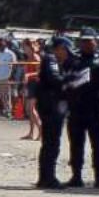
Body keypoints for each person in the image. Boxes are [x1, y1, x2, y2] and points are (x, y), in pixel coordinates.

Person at [64, 28, 99, 188]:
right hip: (77, 108)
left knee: (98, 145)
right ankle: (76, 176)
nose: (86, 44)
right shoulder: (73, 59)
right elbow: (66, 80)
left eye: (89, 41)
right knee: (76, 145)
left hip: (97, 109)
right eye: (83, 41)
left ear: (96, 41)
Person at [35, 37, 71, 188]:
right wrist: (69, 79)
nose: (67, 54)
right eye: (66, 50)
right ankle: (47, 178)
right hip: (51, 106)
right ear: (60, 48)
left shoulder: (54, 59)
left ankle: (47, 176)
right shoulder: (51, 59)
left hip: (52, 105)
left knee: (51, 142)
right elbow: (54, 79)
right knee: (51, 143)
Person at [21, 39, 41, 141]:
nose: (23, 48)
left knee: (31, 109)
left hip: (35, 84)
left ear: (30, 46)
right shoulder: (28, 58)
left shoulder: (35, 57)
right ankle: (31, 133)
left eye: (25, 46)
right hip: (29, 84)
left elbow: (39, 72)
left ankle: (41, 131)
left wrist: (28, 74)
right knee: (29, 110)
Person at [0, 37, 16, 119]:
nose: (0, 46)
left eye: (2, 44)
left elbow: (14, 66)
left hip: (5, 78)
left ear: (5, 44)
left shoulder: (11, 54)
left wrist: (11, 77)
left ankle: (8, 112)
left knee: (5, 97)